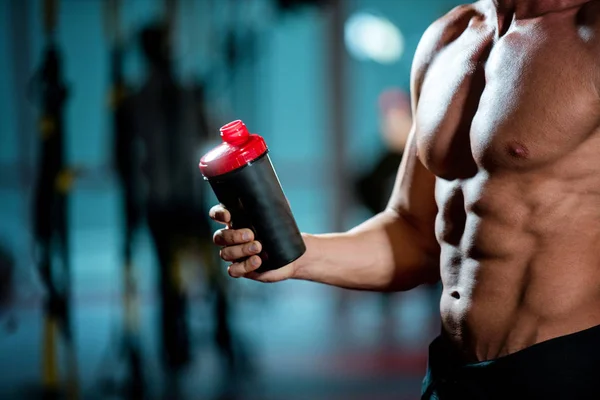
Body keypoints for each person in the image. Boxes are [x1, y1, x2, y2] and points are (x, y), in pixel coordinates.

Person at [209, 0, 600, 398]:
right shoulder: (449, 37)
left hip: (566, 372)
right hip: (451, 375)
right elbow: (412, 234)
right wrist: (296, 254)